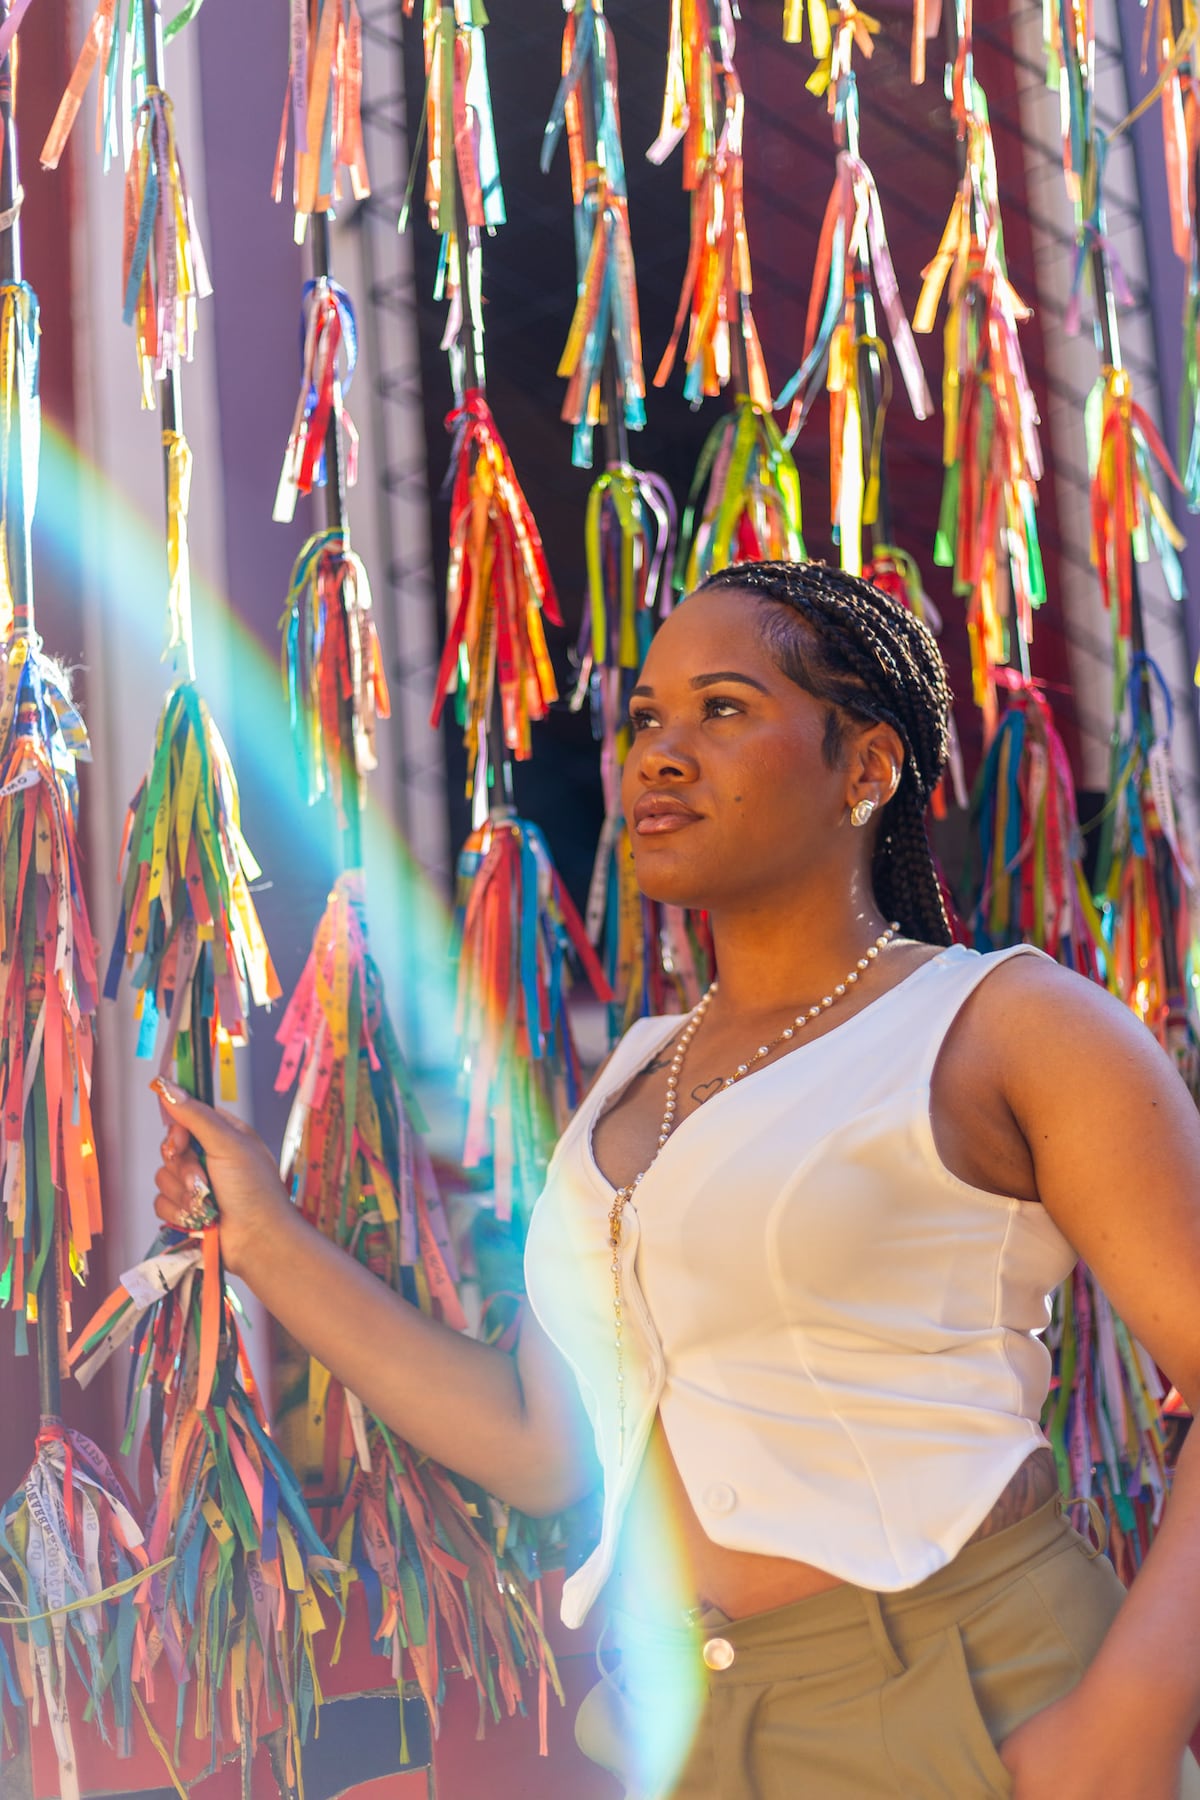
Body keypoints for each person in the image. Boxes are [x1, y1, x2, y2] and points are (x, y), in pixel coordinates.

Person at [153, 560, 1200, 1800]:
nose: (657, 754)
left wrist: (1122, 1733)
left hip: (966, 1694)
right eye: (645, 718)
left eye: (722, 708)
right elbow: (543, 1443)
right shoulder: (638, 1075)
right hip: (680, 1719)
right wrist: (265, 1237)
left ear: (865, 769)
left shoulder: (1007, 1026)